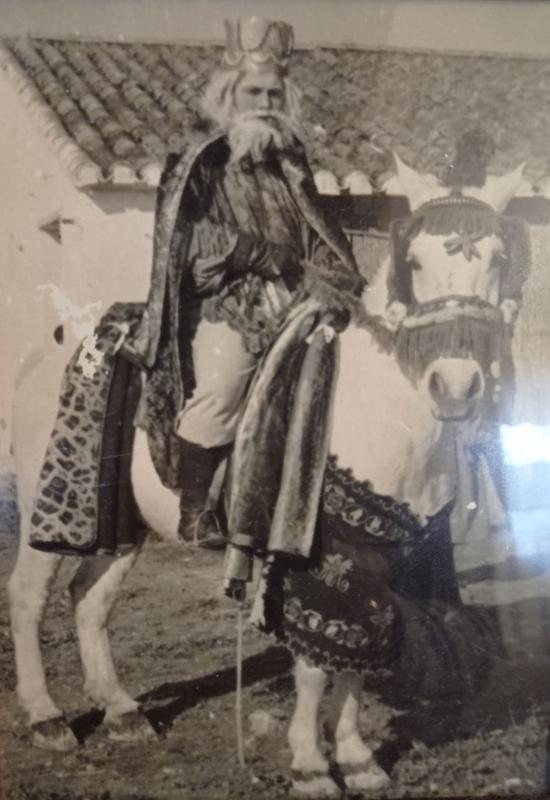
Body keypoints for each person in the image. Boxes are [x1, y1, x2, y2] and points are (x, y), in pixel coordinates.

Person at [122, 16, 364, 547]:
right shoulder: (201, 164)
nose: (265, 101)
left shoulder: (292, 165)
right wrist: (252, 251)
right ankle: (195, 511)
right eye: (253, 90)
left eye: (274, 92)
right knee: (223, 384)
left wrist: (329, 274)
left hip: (298, 301)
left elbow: (322, 234)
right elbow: (183, 242)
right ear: (230, 95)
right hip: (227, 304)